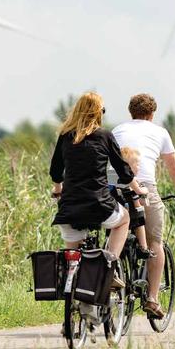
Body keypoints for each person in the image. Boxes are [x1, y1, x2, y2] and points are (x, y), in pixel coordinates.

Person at [112, 93, 175, 318]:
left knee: (116, 229)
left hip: (114, 187)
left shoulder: (117, 130)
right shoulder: (160, 132)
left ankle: (113, 268)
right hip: (144, 187)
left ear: (131, 112)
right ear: (151, 114)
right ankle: (152, 298)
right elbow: (174, 169)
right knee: (155, 243)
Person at [50, 92, 133, 273]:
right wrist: (127, 181)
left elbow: (55, 171)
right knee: (124, 219)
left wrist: (58, 189)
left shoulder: (65, 136)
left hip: (69, 207)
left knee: (72, 258)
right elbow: (125, 173)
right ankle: (108, 268)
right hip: (99, 205)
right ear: (98, 112)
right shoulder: (105, 136)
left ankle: (71, 289)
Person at [118, 146, 153, 259]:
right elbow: (138, 193)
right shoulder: (130, 179)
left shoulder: (114, 178)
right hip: (130, 213)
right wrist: (146, 190)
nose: (139, 167)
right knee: (140, 220)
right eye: (137, 164)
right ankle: (143, 247)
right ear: (128, 167)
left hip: (115, 211)